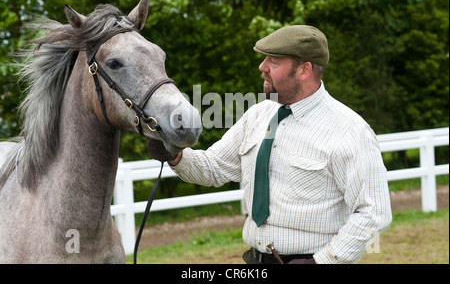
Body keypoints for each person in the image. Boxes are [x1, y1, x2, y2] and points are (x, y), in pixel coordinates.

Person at [147, 25, 392, 264]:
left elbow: (373, 213)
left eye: (273, 61)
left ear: (303, 70)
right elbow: (214, 167)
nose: (261, 67)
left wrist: (320, 261)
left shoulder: (349, 131)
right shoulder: (259, 114)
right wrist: (175, 155)